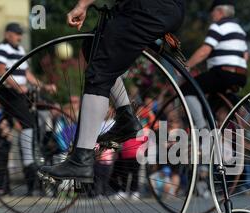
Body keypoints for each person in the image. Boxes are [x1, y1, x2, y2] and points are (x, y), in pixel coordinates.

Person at [39, 0, 185, 183]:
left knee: (98, 75)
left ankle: (81, 159)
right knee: (92, 48)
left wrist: (82, 5)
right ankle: (126, 117)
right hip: (143, 9)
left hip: (150, 8)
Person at [0, 22, 56, 195]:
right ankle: (29, 160)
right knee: (27, 122)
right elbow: (0, 71)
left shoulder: (20, 51)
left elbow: (27, 74)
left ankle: (34, 153)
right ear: (8, 34)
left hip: (19, 93)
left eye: (20, 34)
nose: (19, 37)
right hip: (6, 91)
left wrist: (43, 86)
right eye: (16, 34)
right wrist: (18, 87)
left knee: (35, 115)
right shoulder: (1, 49)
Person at [182, 0, 248, 129]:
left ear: (220, 11)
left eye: (213, 12)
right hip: (241, 76)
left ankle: (202, 127)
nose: (212, 15)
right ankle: (214, 130)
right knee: (211, 105)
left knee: (186, 89)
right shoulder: (240, 30)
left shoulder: (217, 26)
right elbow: (246, 56)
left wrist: (186, 66)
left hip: (222, 74)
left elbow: (204, 51)